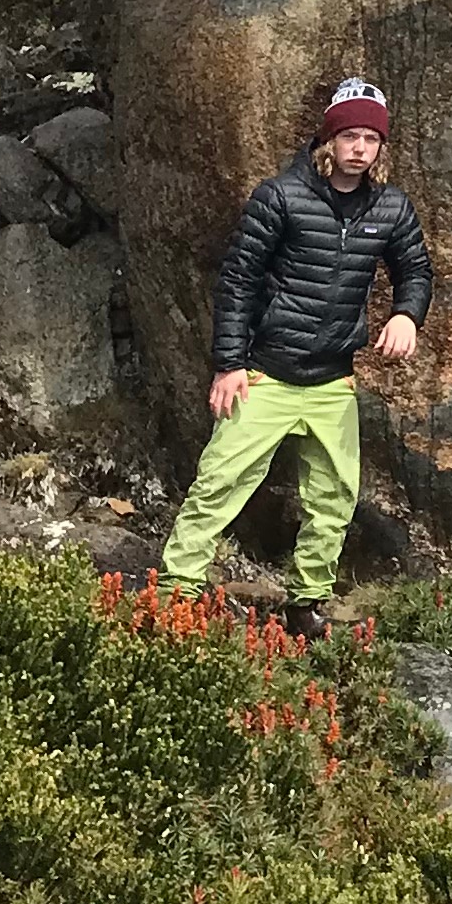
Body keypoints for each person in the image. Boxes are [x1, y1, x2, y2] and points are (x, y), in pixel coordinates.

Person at [153, 76, 431, 635]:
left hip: (333, 381)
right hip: (266, 373)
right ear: (328, 139)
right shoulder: (279, 196)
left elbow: (416, 270)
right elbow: (237, 282)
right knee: (219, 484)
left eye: (371, 140)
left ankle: (306, 606)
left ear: (381, 147)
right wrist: (229, 364)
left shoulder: (391, 208)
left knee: (334, 499)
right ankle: (173, 597)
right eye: (349, 136)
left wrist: (407, 313)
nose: (359, 148)